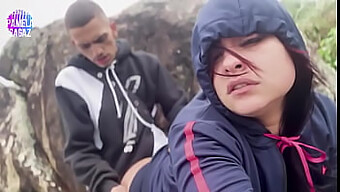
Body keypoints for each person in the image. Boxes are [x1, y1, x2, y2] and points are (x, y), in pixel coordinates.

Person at [120, 0, 337, 191]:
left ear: (291, 45)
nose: (230, 63)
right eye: (215, 56)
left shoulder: (323, 112)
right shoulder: (201, 135)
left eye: (250, 41)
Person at [54, 1, 188, 192]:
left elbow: (179, 108)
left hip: (168, 155)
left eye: (101, 39)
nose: (96, 51)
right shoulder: (70, 83)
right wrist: (108, 186)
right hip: (125, 177)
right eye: (85, 46)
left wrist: (191, 144)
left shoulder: (145, 64)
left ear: (113, 29)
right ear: (73, 44)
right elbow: (79, 150)